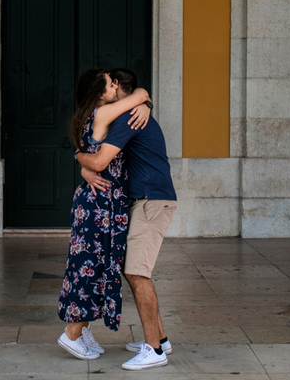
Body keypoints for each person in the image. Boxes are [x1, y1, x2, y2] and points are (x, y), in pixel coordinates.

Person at [77, 67, 176, 371]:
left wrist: (79, 159)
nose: (109, 89)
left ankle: (154, 350)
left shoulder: (126, 118)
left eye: (110, 84)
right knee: (134, 270)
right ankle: (160, 339)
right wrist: (145, 101)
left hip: (150, 200)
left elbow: (100, 160)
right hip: (147, 199)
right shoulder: (135, 110)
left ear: (117, 86)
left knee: (136, 273)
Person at [56, 68, 150, 361]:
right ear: (99, 94)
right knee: (93, 267)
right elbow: (140, 94)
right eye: (110, 84)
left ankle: (82, 330)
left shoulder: (85, 117)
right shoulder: (103, 113)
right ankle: (72, 333)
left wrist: (82, 164)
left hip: (94, 201)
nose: (115, 87)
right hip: (102, 205)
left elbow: (83, 153)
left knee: (86, 264)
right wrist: (145, 102)